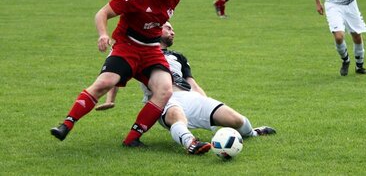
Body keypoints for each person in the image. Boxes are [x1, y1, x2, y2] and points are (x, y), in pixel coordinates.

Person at [50, 0, 182, 147]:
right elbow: (102, 13)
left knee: (165, 90)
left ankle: (132, 139)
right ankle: (66, 124)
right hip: (127, 46)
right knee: (106, 82)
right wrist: (103, 34)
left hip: (152, 50)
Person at [96, 22, 277, 155]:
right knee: (176, 116)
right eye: (168, 27)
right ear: (156, 28)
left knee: (236, 120)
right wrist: (110, 99)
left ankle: (252, 133)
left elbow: (193, 84)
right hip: (162, 99)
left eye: (173, 29)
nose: (172, 31)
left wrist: (206, 104)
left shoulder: (178, 57)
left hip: (189, 96)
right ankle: (191, 143)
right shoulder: (141, 52)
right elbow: (117, 74)